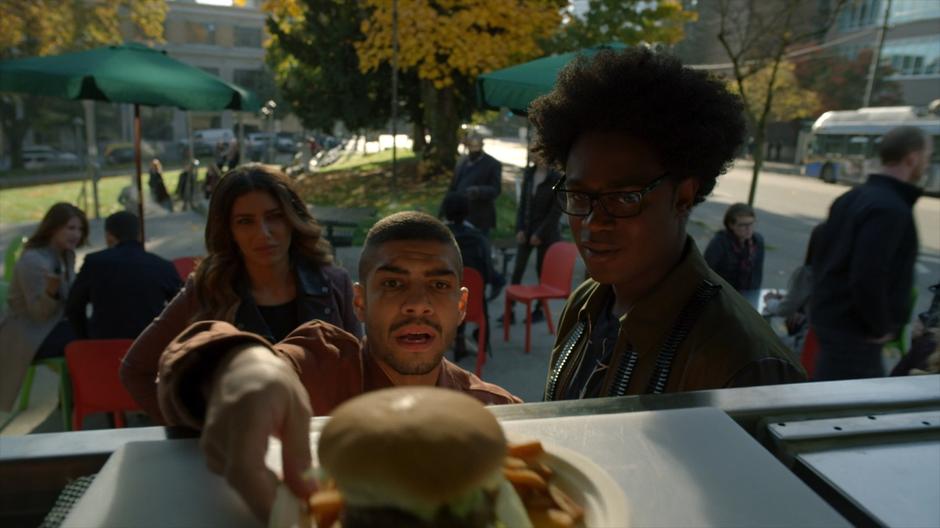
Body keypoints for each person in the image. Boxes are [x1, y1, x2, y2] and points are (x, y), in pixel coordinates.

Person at [153, 211, 521, 521]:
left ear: (460, 307)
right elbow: (196, 364)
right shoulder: (319, 363)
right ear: (359, 302)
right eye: (393, 283)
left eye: (439, 286)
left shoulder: (495, 413)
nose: (418, 304)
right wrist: (241, 363)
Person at [527, 47, 805, 401]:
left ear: (683, 196)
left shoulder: (744, 362)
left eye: (624, 197)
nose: (594, 223)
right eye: (580, 197)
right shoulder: (586, 304)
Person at [120, 165, 362, 422]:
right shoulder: (205, 290)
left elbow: (359, 373)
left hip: (319, 448)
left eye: (274, 216)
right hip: (238, 455)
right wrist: (189, 429)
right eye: (245, 221)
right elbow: (135, 370)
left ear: (293, 219)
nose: (264, 233)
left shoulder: (335, 283)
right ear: (229, 231)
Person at [810, 126, 932, 381]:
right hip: (856, 336)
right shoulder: (891, 209)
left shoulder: (852, 197)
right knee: (846, 412)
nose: (927, 164)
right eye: (927, 157)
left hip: (835, 327)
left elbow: (820, 258)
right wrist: (881, 326)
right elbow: (867, 275)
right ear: (912, 158)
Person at [0, 203, 89, 411]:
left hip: (52, 326)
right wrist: (51, 292)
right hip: (28, 335)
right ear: (52, 228)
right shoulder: (33, 261)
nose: (76, 234)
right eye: (70, 228)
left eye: (80, 229)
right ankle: (78, 399)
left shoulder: (65, 254)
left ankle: (73, 397)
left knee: (96, 328)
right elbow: (38, 315)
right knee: (89, 336)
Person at [65, 212, 183, 340]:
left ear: (109, 236)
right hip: (148, 346)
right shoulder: (162, 266)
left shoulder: (94, 263)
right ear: (139, 235)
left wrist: (85, 338)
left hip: (103, 346)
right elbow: (183, 307)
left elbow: (73, 307)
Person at [441, 192, 502, 360]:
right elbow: (489, 275)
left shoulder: (437, 239)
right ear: (467, 212)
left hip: (441, 302)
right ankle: (479, 339)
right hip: (471, 302)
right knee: (475, 288)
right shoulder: (478, 238)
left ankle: (457, 338)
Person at [504, 161, 563, 324]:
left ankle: (539, 310)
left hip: (546, 233)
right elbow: (523, 204)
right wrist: (520, 229)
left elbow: (556, 211)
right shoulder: (529, 174)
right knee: (517, 269)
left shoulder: (556, 177)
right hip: (527, 230)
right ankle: (511, 310)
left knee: (541, 271)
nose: (537, 156)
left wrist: (540, 233)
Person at [763, 223, 824, 354]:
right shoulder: (844, 275)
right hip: (829, 348)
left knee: (760, 341)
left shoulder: (808, 273)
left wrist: (769, 301)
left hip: (805, 345)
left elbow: (783, 309)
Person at [441, 133, 502, 236]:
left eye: (476, 149)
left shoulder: (492, 164)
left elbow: (496, 189)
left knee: (480, 246)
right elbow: (453, 186)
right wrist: (444, 209)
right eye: (471, 148)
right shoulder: (462, 161)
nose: (473, 152)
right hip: (459, 215)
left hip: (480, 215)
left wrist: (478, 190)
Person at [704, 203, 765, 292]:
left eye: (751, 224)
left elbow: (757, 273)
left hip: (747, 293)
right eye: (743, 225)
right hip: (723, 293)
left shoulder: (757, 241)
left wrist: (753, 295)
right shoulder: (719, 242)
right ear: (731, 225)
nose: (749, 229)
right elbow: (707, 272)